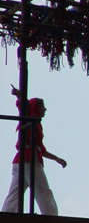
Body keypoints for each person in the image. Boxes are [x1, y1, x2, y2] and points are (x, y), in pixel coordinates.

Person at [1, 85, 67, 215]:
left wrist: (57, 159)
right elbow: (24, 106)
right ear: (37, 107)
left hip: (20, 161)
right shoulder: (30, 117)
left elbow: (41, 149)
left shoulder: (35, 123)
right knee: (43, 191)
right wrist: (19, 95)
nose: (45, 109)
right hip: (29, 159)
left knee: (15, 193)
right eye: (43, 106)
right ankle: (51, 218)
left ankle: (7, 214)